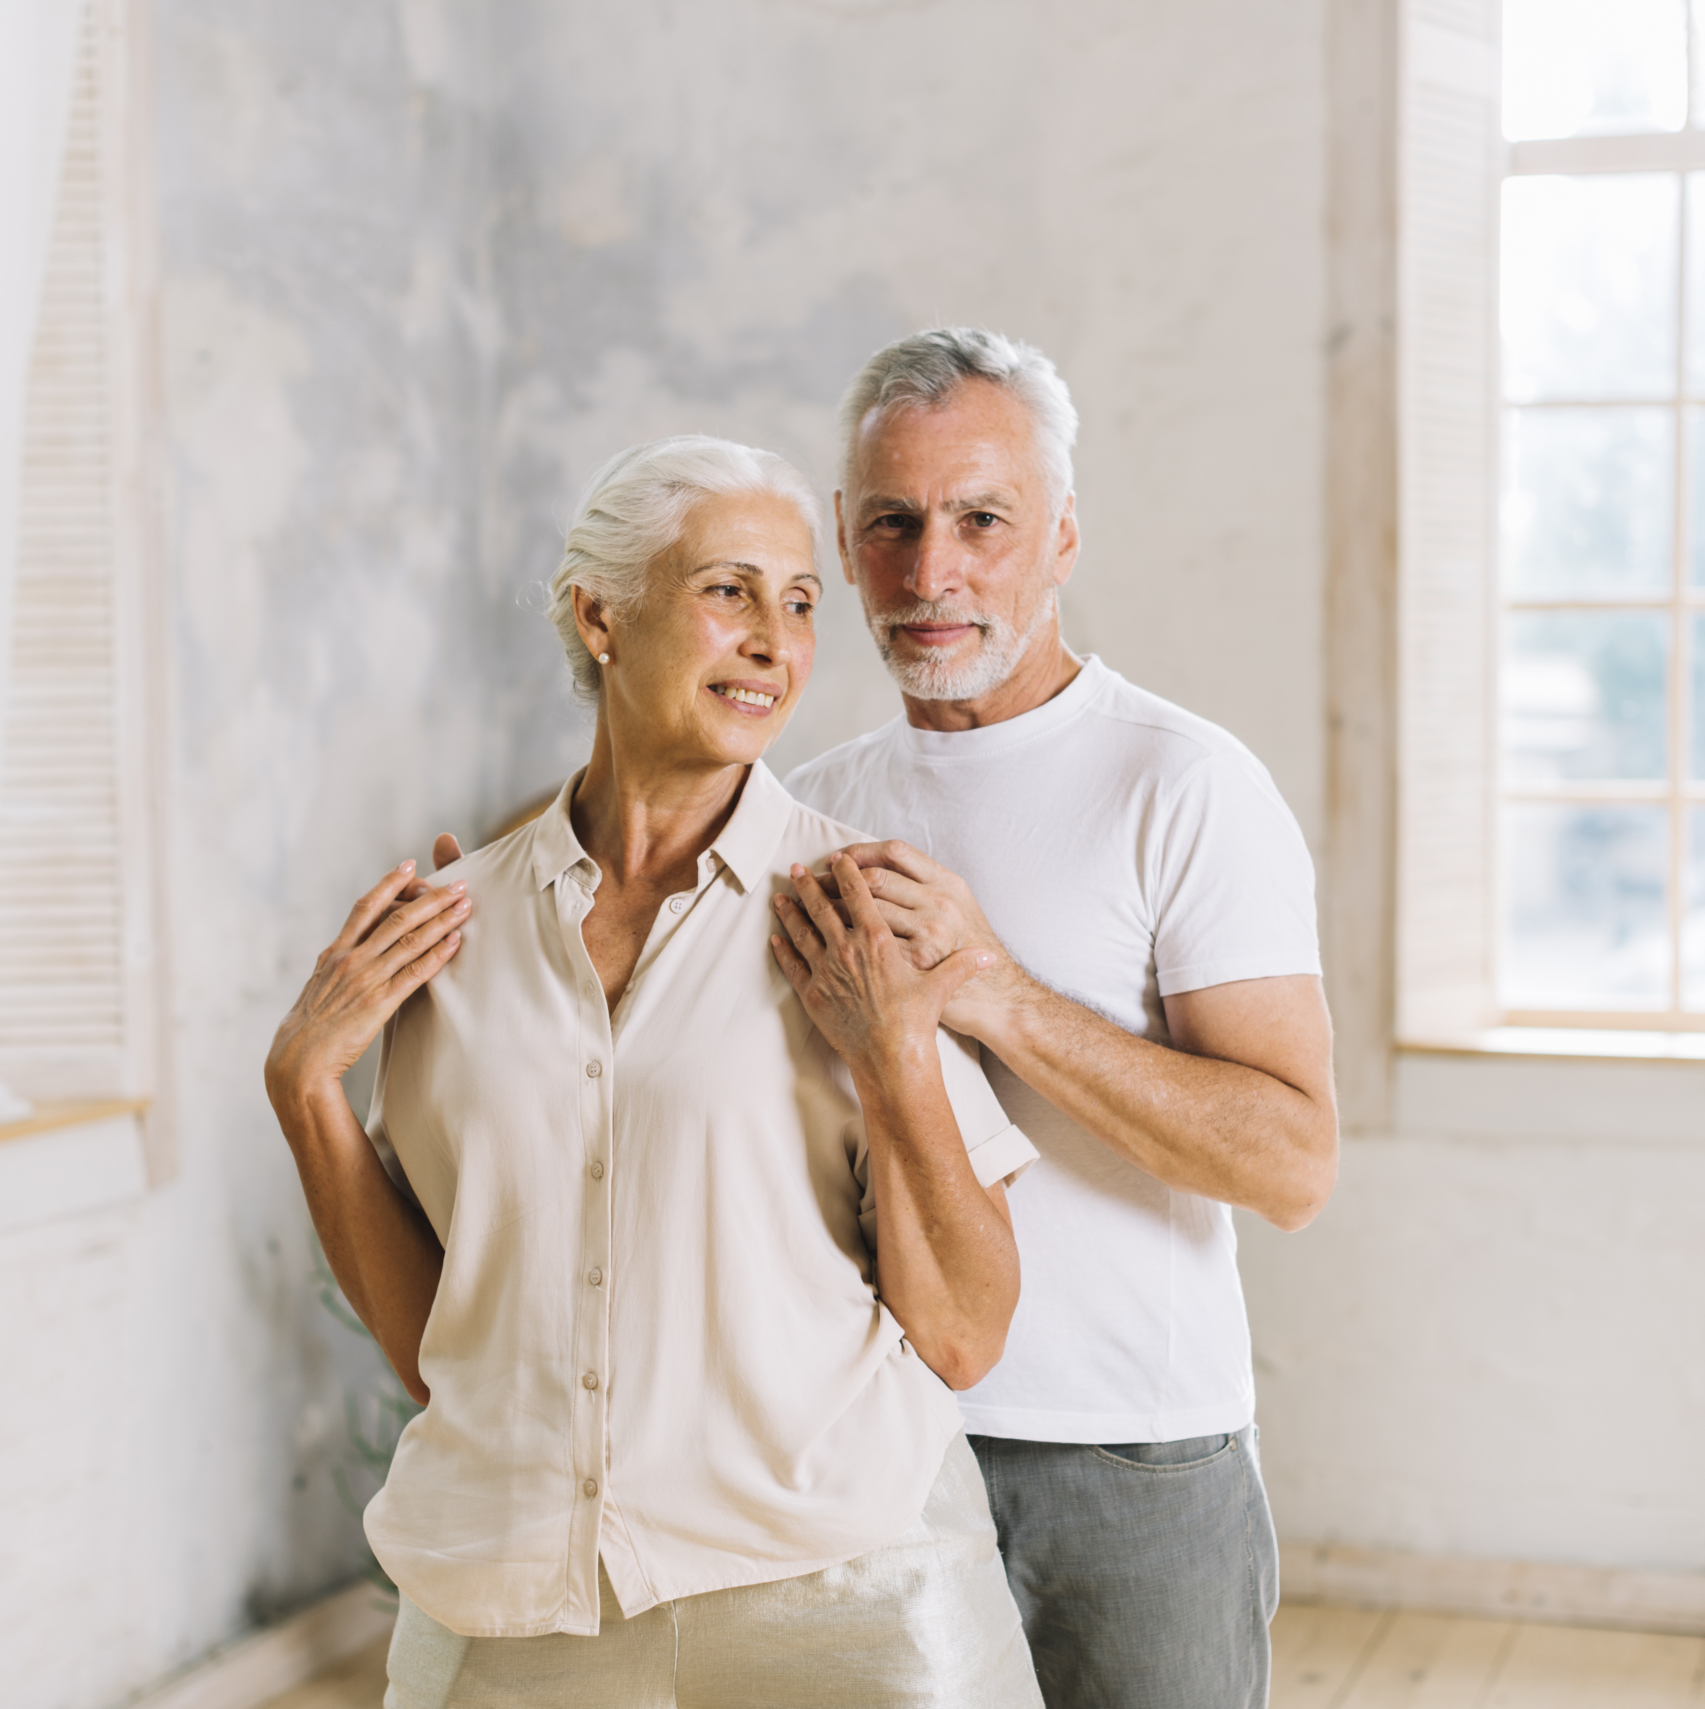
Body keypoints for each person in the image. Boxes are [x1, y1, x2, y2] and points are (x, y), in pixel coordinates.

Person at [263, 435, 1044, 1709]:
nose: (773, 641)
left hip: (846, 1596)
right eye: (729, 590)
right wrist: (305, 1092)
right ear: (600, 617)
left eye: (800, 602)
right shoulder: (452, 935)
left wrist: (895, 1047)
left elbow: (962, 1332)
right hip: (518, 1599)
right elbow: (443, 1347)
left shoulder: (857, 915)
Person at [779, 329, 1340, 1708]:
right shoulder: (811, 805)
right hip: (882, 1448)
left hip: (1135, 1460)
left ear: (1063, 536)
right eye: (893, 524)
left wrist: (997, 991)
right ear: (845, 541)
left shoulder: (1184, 784)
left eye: (982, 520)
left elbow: (1291, 1164)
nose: (933, 572)